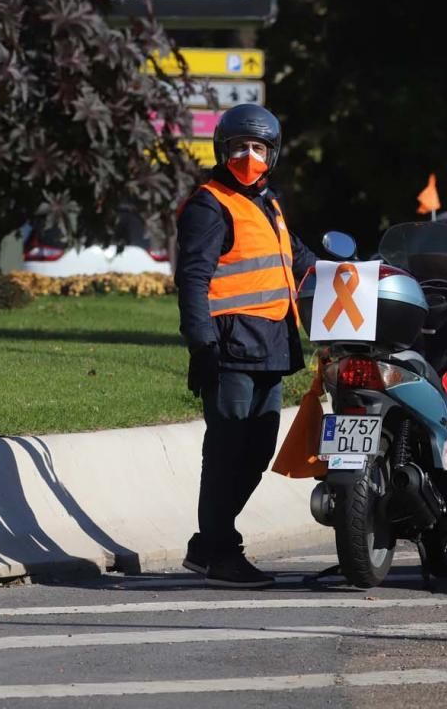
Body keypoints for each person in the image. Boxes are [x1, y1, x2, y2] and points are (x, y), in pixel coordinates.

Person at [175, 104, 316, 588]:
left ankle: (206, 544)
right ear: (222, 150)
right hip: (229, 352)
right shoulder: (209, 205)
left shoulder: (267, 204)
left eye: (258, 148)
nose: (248, 156)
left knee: (256, 453)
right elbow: (192, 280)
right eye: (239, 147)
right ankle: (220, 551)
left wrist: (355, 273)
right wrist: (201, 347)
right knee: (227, 452)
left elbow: (301, 261)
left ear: (272, 155)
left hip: (271, 348)